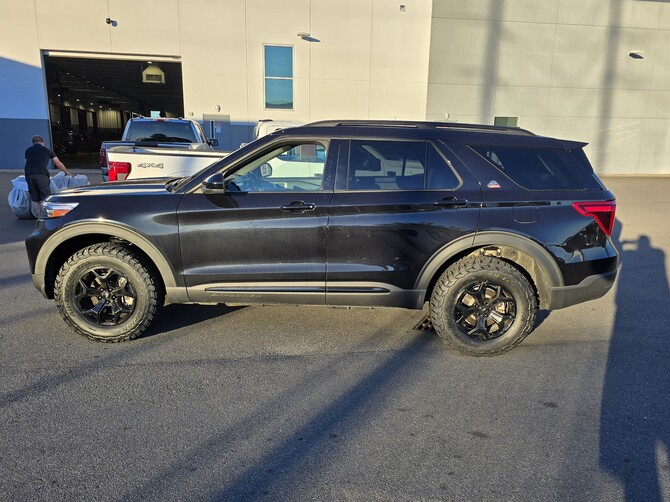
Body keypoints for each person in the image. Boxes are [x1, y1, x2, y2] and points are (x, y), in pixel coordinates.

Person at [24, 135, 72, 217]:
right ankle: (48, 216)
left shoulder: (28, 150)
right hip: (41, 175)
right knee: (46, 197)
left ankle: (39, 216)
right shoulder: (47, 150)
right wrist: (67, 172)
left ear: (33, 143)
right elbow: (58, 163)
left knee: (35, 197)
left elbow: (26, 163)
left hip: (29, 175)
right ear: (43, 142)